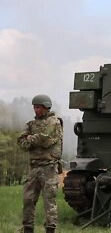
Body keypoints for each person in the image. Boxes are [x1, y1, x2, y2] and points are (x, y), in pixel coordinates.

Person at [17, 94, 63, 233]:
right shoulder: (31, 124)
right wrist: (31, 140)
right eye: (35, 107)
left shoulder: (54, 122)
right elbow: (21, 142)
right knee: (28, 200)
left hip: (49, 167)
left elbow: (45, 139)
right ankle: (28, 228)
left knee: (49, 201)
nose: (36, 110)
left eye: (38, 107)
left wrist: (30, 138)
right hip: (34, 167)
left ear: (46, 107)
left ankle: (50, 229)